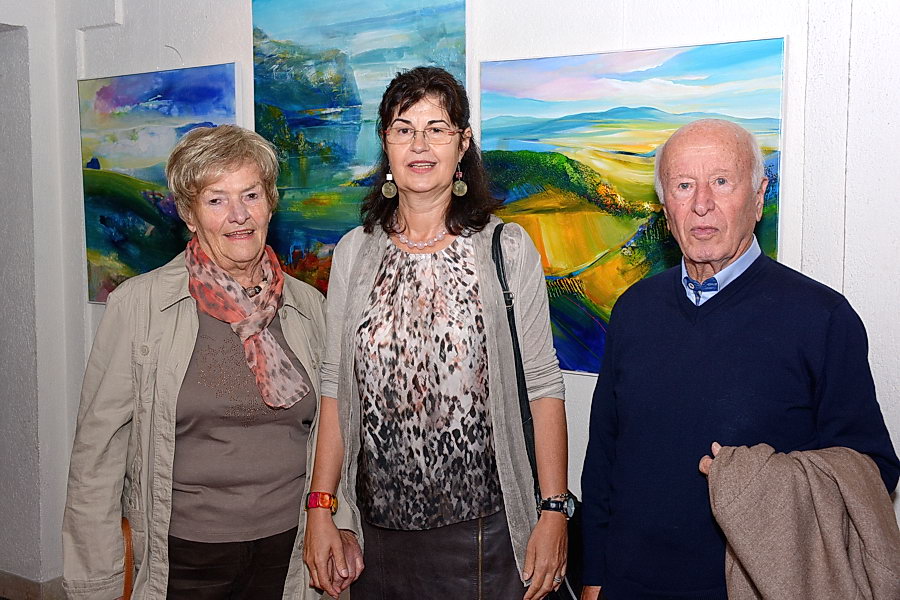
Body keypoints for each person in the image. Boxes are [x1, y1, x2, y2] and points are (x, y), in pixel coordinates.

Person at [580, 118, 899, 600]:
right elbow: (604, 454)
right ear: (665, 207)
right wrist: (595, 574)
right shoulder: (634, 308)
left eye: (721, 181)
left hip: (756, 587)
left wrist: (761, 481)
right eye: (683, 185)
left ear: (758, 196)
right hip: (631, 582)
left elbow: (871, 472)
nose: (701, 203)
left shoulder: (822, 318)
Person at [301, 66, 570, 600]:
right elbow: (335, 387)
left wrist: (553, 510)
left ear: (462, 143)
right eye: (404, 129)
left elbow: (543, 387)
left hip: (486, 536)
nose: (419, 145)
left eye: (437, 129)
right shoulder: (354, 252)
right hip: (377, 540)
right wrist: (321, 508)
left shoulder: (506, 248)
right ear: (386, 144)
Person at [62, 125, 341, 600]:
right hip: (185, 557)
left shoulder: (308, 306)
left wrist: (337, 519)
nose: (239, 215)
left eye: (250, 195)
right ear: (189, 215)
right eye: (216, 200)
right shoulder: (140, 306)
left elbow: (335, 429)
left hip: (291, 552)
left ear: (270, 202)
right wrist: (96, 583)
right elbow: (97, 455)